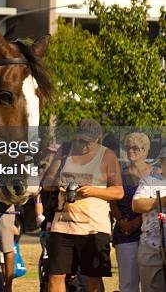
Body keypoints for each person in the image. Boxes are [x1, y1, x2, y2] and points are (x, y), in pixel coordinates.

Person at [42, 119, 124, 292]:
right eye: (80, 140)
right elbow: (47, 183)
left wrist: (92, 191)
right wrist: (59, 183)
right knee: (55, 276)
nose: (83, 145)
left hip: (93, 228)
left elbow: (118, 192)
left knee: (93, 278)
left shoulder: (107, 155)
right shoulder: (64, 150)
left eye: (88, 142)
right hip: (62, 226)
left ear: (98, 140)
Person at [111, 132, 154, 292]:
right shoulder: (119, 173)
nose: (130, 151)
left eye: (135, 148)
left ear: (145, 151)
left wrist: (137, 222)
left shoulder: (157, 174)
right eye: (127, 147)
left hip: (150, 232)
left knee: (152, 283)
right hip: (125, 232)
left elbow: (158, 202)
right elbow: (112, 202)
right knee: (127, 284)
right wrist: (122, 222)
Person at [132, 146, 166, 292]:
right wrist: (163, 201)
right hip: (152, 249)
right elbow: (137, 204)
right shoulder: (149, 181)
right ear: (162, 162)